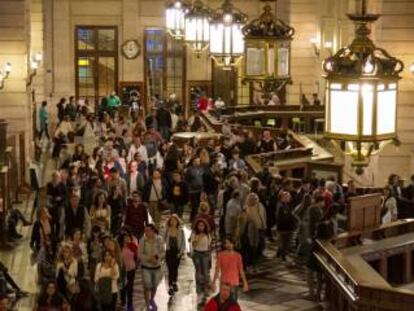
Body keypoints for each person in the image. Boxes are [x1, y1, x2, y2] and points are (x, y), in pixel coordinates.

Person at [138, 224, 165, 311]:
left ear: (153, 231)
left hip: (157, 267)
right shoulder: (142, 240)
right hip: (146, 267)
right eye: (145, 230)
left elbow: (163, 252)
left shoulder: (159, 239)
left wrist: (156, 258)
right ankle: (147, 306)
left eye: (148, 230)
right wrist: (148, 258)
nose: (146, 232)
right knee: (147, 286)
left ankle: (152, 299)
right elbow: (139, 254)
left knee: (154, 285)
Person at [191, 218, 212, 306]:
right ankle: (199, 291)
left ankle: (206, 290)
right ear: (197, 226)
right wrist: (198, 237)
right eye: (199, 225)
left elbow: (209, 245)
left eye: (202, 225)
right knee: (199, 272)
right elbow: (194, 245)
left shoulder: (208, 234)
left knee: (206, 273)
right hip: (197, 254)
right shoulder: (194, 234)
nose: (201, 227)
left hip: (206, 254)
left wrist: (210, 256)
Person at [164, 214, 186, 296]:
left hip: (177, 252)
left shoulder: (181, 231)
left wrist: (180, 253)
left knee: (175, 268)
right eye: (172, 220)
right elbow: (162, 240)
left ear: (177, 221)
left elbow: (183, 243)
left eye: (175, 220)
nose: (173, 222)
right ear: (169, 221)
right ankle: (170, 286)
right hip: (169, 252)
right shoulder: (167, 230)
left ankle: (174, 282)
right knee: (170, 269)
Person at [120, 231, 138, 308]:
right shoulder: (119, 246)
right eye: (125, 238)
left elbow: (137, 256)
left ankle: (130, 303)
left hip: (131, 268)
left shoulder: (133, 246)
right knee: (123, 286)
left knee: (130, 286)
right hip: (122, 270)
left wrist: (136, 264)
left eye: (128, 237)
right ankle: (123, 301)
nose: (126, 239)